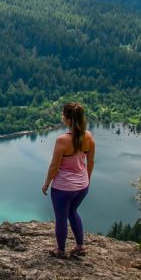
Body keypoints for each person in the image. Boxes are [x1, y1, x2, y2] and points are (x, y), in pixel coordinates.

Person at [41, 102, 95, 258]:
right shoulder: (89, 136)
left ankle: (60, 250)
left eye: (63, 114)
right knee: (73, 212)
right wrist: (87, 180)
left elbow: (54, 167)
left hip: (63, 188)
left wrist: (46, 184)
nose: (61, 116)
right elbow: (90, 163)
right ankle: (80, 247)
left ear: (69, 118)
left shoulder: (62, 140)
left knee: (61, 218)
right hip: (82, 186)